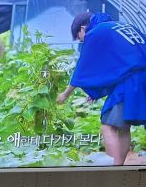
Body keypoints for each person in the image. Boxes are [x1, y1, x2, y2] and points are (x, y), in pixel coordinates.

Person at [57, 11, 146, 165]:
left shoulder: (96, 32)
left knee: (108, 126)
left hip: (132, 83)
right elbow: (118, 64)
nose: (83, 42)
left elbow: (83, 68)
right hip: (140, 79)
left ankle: (113, 169)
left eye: (80, 38)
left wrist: (65, 94)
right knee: (124, 126)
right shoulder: (123, 27)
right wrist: (96, 92)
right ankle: (119, 167)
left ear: (83, 29)